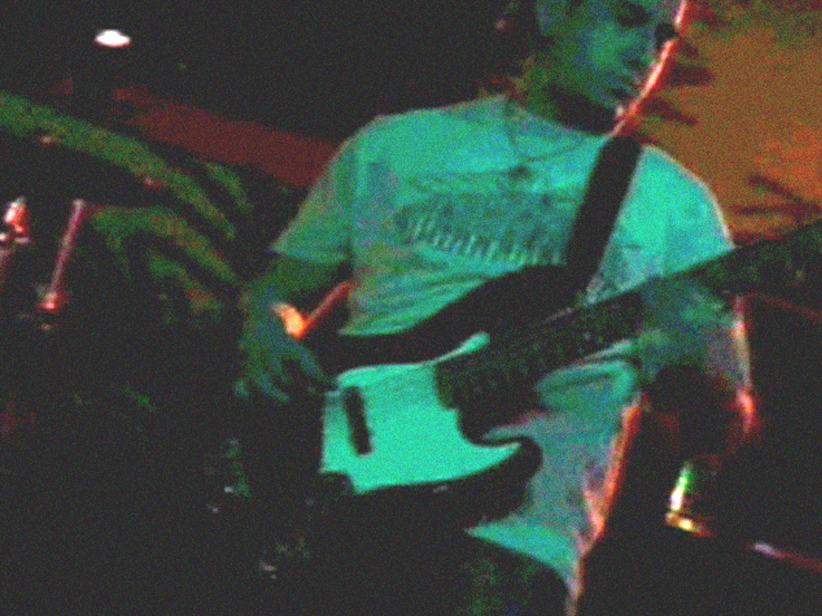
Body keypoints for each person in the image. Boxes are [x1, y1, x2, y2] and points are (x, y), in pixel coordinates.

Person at [236, 0, 748, 612]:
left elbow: (715, 428)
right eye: (626, 20)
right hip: (334, 503)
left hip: (511, 546)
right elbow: (276, 292)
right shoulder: (397, 144)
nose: (646, 55)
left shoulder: (676, 206)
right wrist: (267, 330)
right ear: (553, 13)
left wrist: (701, 370)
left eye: (663, 38)